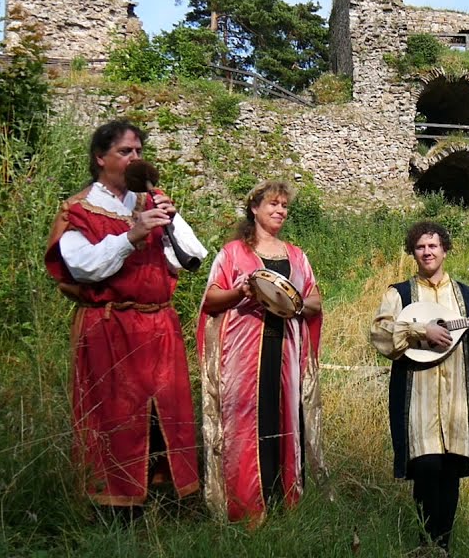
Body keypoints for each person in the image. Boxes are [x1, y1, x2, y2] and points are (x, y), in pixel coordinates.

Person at [43, 119, 207, 516]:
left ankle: (163, 501)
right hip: (110, 326)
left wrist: (169, 217)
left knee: (163, 413)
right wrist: (131, 236)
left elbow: (192, 257)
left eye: (138, 151)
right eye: (125, 151)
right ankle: (111, 507)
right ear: (101, 158)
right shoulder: (79, 209)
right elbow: (83, 268)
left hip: (158, 324)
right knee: (115, 415)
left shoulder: (151, 201)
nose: (135, 158)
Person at [370, 221, 469, 554]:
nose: (427, 252)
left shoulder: (467, 297)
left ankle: (443, 548)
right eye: (421, 247)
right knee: (425, 467)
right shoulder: (400, 293)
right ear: (413, 252)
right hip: (417, 396)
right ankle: (425, 545)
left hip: (457, 401)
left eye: (433, 246)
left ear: (445, 250)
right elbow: (381, 333)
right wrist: (420, 331)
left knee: (450, 470)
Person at [199, 180, 325, 523]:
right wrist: (238, 291)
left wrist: (294, 304)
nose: (280, 211)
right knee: (244, 421)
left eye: (285, 205)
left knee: (285, 418)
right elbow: (210, 299)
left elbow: (315, 300)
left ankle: (284, 501)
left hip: (286, 350)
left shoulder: (297, 256)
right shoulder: (233, 253)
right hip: (242, 353)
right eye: (273, 204)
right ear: (254, 208)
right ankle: (245, 506)